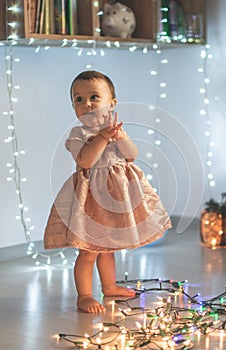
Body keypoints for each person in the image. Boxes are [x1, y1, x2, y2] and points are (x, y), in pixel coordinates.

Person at [44, 70, 172, 313]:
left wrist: (120, 137)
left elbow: (131, 154)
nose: (86, 103)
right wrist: (103, 136)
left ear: (111, 104)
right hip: (91, 201)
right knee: (89, 250)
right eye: (78, 99)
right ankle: (84, 296)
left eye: (94, 97)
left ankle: (110, 286)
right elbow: (85, 160)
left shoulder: (116, 130)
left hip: (116, 198)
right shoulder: (78, 134)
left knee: (108, 247)